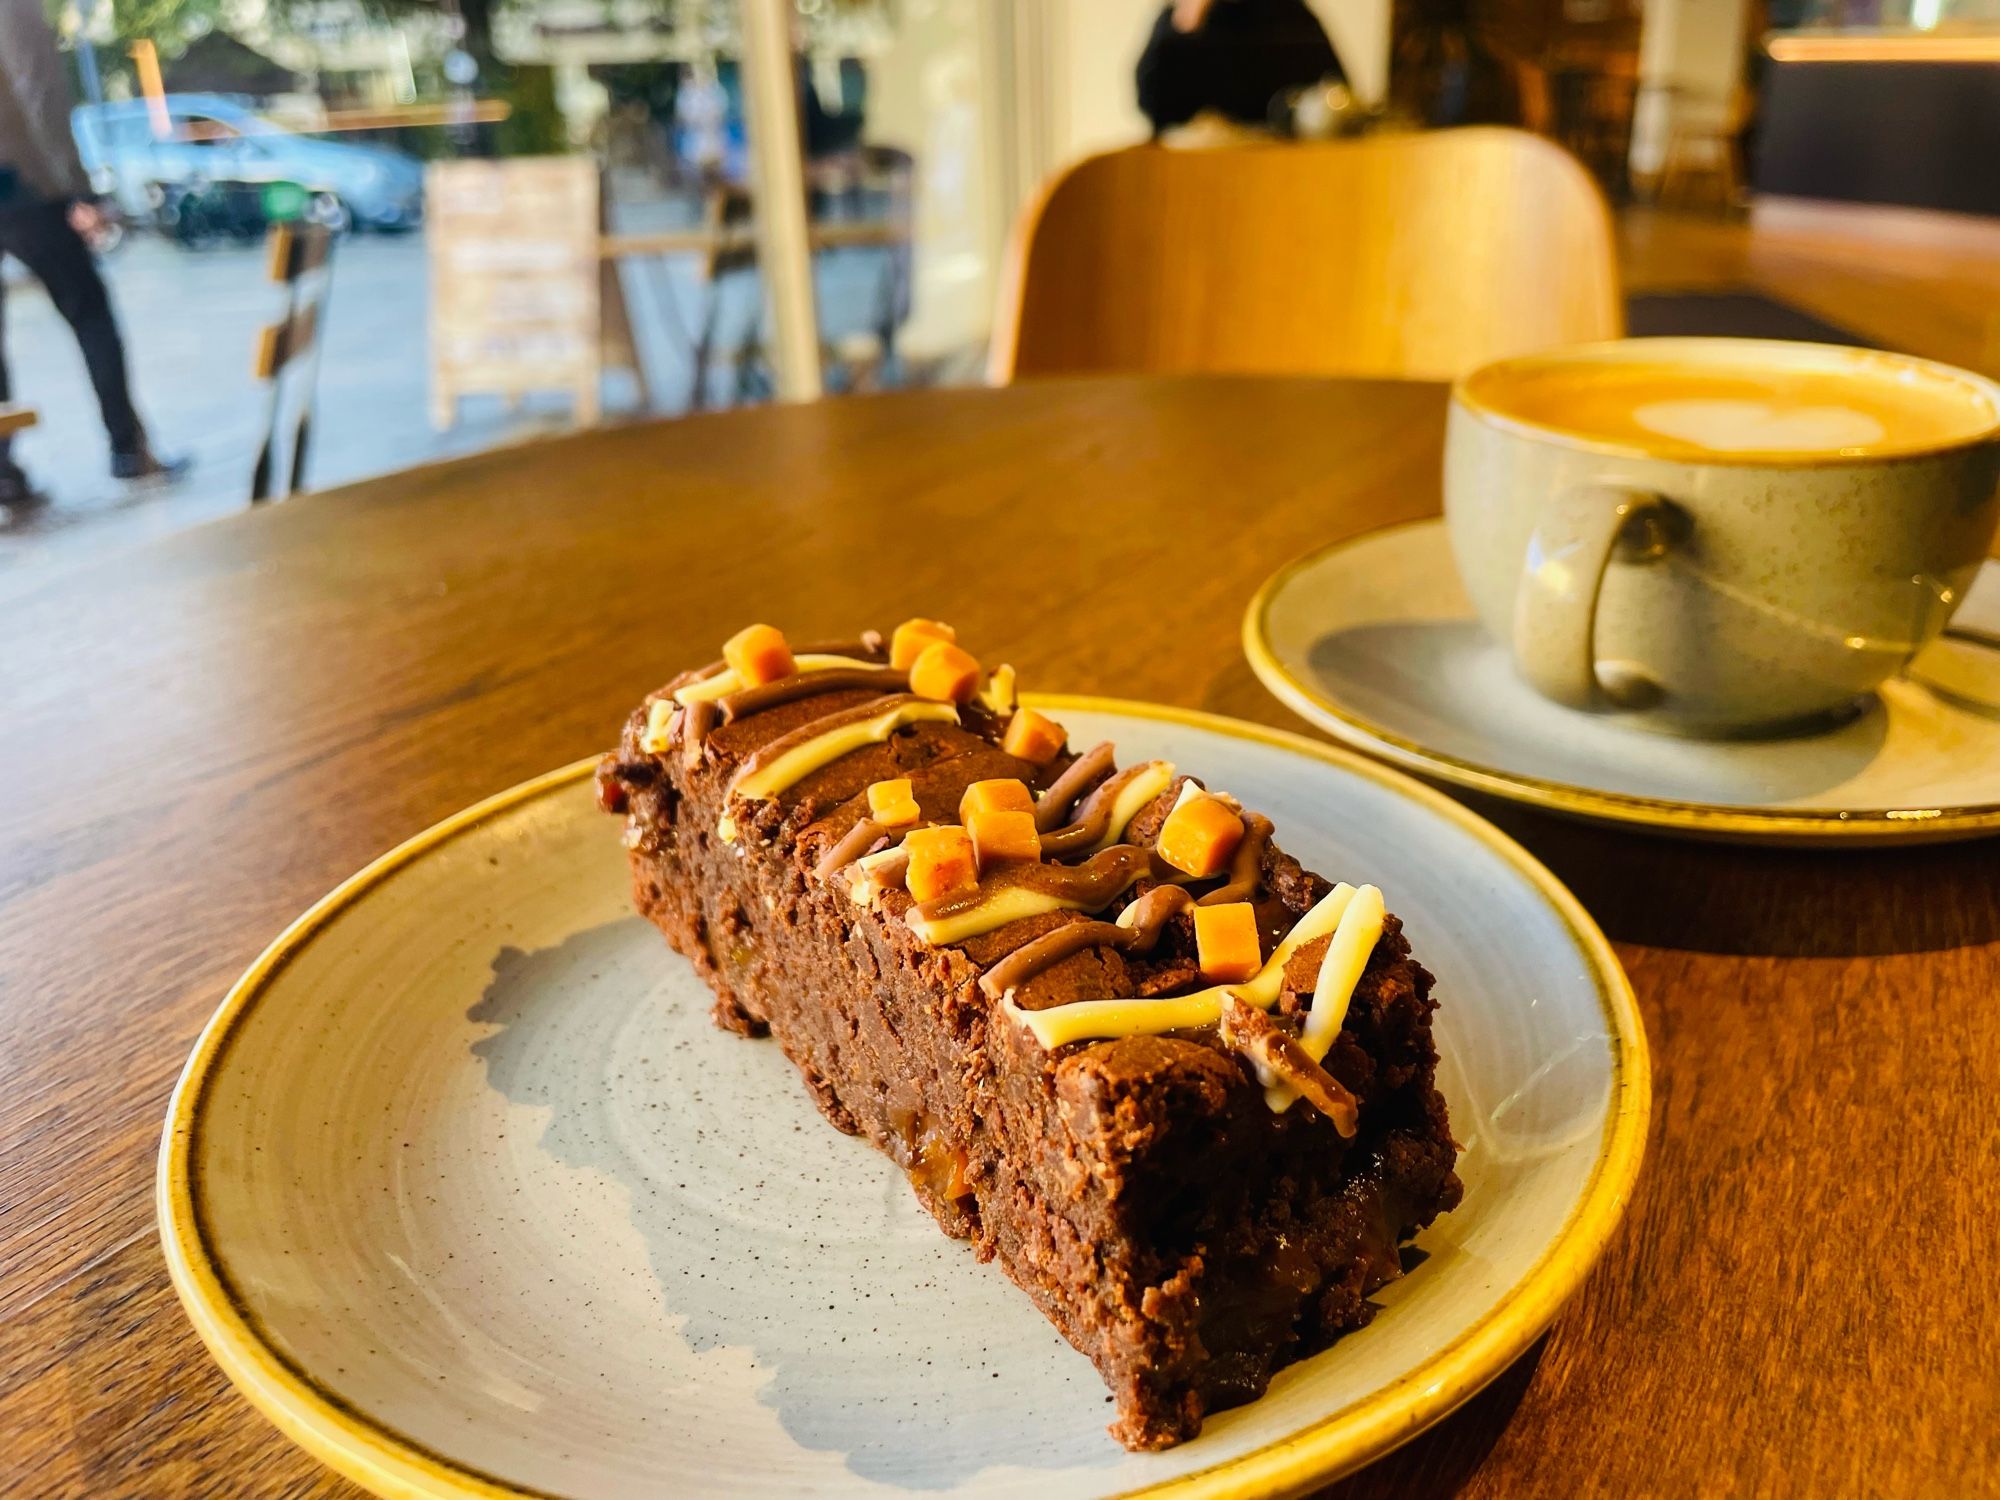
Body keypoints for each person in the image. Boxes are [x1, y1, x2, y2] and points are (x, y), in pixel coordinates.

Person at [0, 0, 187, 507]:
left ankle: (3, 473)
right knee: (90, 313)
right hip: (20, 188)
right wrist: (77, 189)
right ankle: (129, 448)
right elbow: (38, 90)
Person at [1136, 0, 1345, 137]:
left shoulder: (1288, 13)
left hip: (1279, 168)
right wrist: (1186, 22)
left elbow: (1336, 95)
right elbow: (1152, 104)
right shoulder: (1181, 20)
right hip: (1192, 172)